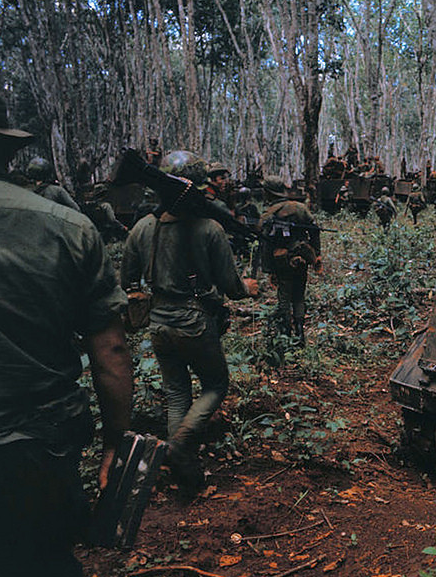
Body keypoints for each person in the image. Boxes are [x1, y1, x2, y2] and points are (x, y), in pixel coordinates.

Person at [0, 82, 133, 577]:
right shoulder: (67, 227)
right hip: (40, 453)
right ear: (6, 148)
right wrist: (115, 444)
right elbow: (111, 349)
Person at [121, 150, 254, 493]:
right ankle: (180, 449)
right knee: (215, 385)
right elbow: (232, 288)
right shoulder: (209, 229)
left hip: (159, 324)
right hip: (194, 322)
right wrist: (248, 287)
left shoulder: (141, 228)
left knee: (177, 391)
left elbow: (127, 280)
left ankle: (178, 463)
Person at [260, 176, 322, 344]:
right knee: (299, 296)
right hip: (302, 257)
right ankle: (300, 332)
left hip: (281, 262)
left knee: (284, 297)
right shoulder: (300, 208)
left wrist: (269, 270)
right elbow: (315, 230)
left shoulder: (268, 214)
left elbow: (265, 245)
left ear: (269, 193)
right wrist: (316, 254)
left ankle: (287, 334)